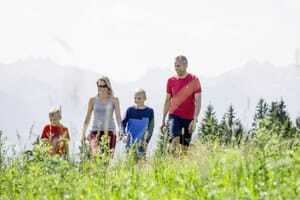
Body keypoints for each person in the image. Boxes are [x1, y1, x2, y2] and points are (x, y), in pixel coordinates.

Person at [161, 55, 202, 154]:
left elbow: (198, 101)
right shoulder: (171, 81)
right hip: (174, 116)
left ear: (185, 65)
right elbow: (167, 100)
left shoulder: (194, 80)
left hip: (189, 118)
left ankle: (179, 166)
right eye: (175, 65)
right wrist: (163, 119)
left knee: (184, 150)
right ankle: (170, 164)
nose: (176, 68)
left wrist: (195, 119)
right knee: (174, 141)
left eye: (178, 65)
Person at [81, 76, 122, 157]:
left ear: (108, 87)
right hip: (95, 131)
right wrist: (83, 133)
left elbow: (118, 117)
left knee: (107, 159)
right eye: (99, 86)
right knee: (95, 155)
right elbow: (88, 118)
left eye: (104, 86)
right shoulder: (92, 100)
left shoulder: (114, 100)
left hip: (110, 131)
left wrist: (121, 130)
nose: (101, 88)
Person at [122, 89, 154, 159]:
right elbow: (122, 124)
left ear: (145, 98)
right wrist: (124, 135)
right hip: (130, 143)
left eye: (139, 98)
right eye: (135, 98)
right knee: (129, 165)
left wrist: (146, 141)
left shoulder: (150, 111)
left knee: (141, 166)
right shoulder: (130, 110)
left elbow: (151, 128)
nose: (136, 100)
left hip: (142, 144)